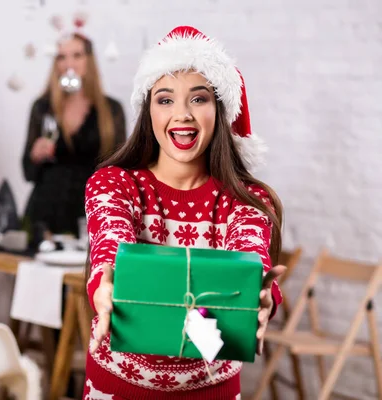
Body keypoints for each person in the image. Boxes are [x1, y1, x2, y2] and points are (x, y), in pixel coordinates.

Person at [83, 26, 287, 399]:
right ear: (148, 110)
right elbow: (110, 243)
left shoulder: (248, 200)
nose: (182, 115)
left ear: (219, 110)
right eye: (165, 99)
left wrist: (258, 292)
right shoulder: (113, 184)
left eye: (198, 99)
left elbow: (250, 254)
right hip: (118, 387)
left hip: (213, 389)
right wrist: (106, 284)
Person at [22, 32, 127, 238]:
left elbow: (122, 173)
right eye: (61, 57)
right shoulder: (43, 107)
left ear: (89, 60)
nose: (69, 63)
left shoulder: (111, 110)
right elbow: (27, 172)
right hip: (45, 216)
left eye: (77, 55)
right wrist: (34, 155)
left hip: (92, 215)